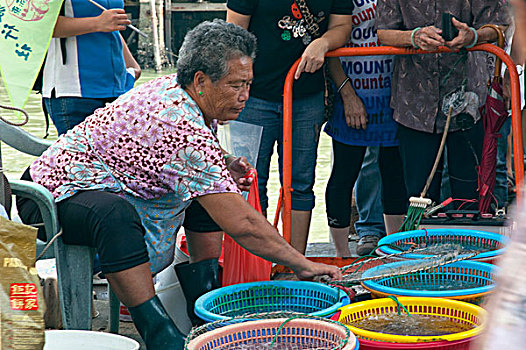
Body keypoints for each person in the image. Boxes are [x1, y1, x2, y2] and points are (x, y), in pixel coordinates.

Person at [16, 20, 341, 349]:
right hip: (48, 200)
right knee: (115, 215)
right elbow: (243, 224)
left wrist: (223, 161)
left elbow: (188, 159)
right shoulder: (176, 119)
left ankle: (204, 303)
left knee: (209, 193)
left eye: (248, 84)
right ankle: (158, 331)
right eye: (235, 85)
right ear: (201, 80)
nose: (245, 96)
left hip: (107, 185)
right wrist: (302, 264)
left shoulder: (185, 92)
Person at [226, 0, 353, 254]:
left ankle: (295, 263)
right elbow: (233, 34)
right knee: (247, 181)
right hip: (253, 96)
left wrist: (323, 42)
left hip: (306, 96)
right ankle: (255, 261)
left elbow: (341, 25)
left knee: (301, 183)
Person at [375, 0, 511, 209]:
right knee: (418, 197)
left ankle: (468, 240)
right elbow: (384, 31)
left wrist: (472, 36)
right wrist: (413, 36)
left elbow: (498, 25)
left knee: (470, 197)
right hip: (415, 101)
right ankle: (419, 241)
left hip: (469, 100)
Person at [324, 0, 407, 257]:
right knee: (344, 172)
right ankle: (341, 254)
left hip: (393, 94)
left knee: (394, 172)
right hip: (352, 91)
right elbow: (331, 43)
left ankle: (395, 249)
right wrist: (347, 95)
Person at [42, 0, 141, 136]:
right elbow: (40, 24)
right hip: (74, 93)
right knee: (81, 156)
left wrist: (132, 66)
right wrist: (98, 23)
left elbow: (112, 27)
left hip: (116, 91)